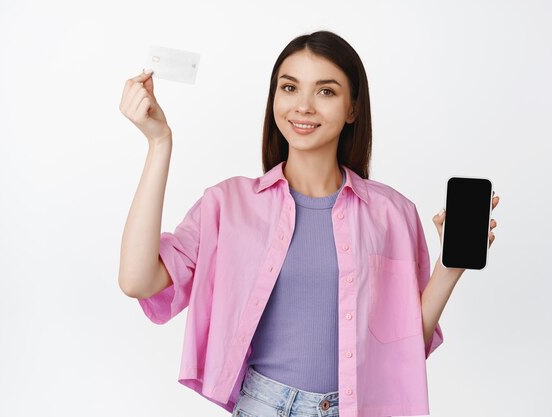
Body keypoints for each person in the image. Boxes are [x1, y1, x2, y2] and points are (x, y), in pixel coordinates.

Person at [118, 30, 499, 417]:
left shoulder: (392, 214)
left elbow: (403, 351)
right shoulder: (228, 204)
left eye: (326, 91)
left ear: (353, 108)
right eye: (289, 87)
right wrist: (159, 143)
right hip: (265, 407)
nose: (303, 106)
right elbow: (137, 280)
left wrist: (449, 268)